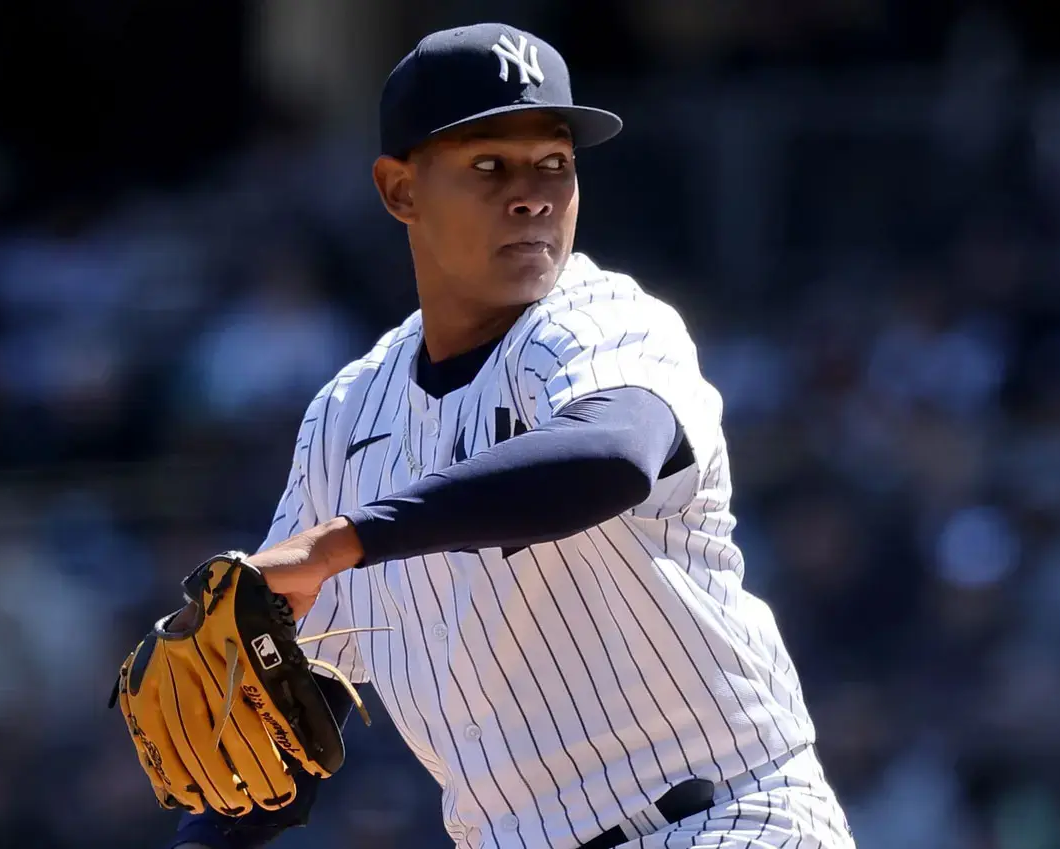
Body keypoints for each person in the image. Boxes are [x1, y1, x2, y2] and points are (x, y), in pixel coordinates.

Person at [169, 22, 855, 849]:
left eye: (554, 164)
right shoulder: (345, 420)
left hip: (725, 818)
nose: (531, 193)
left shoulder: (603, 322)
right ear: (400, 191)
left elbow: (610, 456)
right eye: (489, 165)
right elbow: (289, 721)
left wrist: (345, 541)